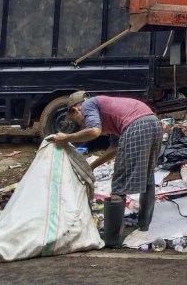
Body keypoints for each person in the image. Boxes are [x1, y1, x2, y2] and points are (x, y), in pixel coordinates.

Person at [50, 91, 163, 248]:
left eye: (77, 120)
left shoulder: (88, 105)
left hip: (137, 125)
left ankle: (112, 237)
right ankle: (144, 225)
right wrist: (91, 167)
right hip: (153, 123)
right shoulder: (108, 113)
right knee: (147, 177)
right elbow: (114, 148)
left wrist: (67, 137)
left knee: (119, 183)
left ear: (77, 109)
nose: (81, 125)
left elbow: (94, 131)